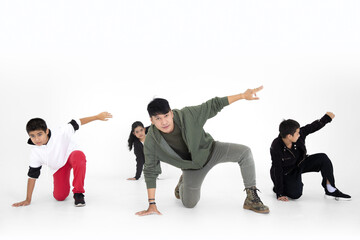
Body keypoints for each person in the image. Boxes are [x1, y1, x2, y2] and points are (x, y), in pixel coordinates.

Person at [136, 86, 269, 216]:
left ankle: (251, 198)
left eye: (166, 115)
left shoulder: (187, 115)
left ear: (171, 113)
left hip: (211, 150)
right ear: (151, 121)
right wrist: (152, 204)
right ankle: (182, 185)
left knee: (245, 152)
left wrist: (242, 96)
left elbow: (213, 104)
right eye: (158, 118)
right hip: (191, 168)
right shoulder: (151, 143)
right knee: (189, 204)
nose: (164, 122)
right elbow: (150, 171)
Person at [12, 112, 113, 207]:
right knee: (59, 197)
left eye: (39, 134)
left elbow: (77, 122)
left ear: (46, 131)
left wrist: (97, 117)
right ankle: (65, 186)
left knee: (79, 157)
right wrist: (28, 199)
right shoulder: (35, 153)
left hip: (71, 156)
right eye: (32, 136)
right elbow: (32, 176)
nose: (37, 139)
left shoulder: (60, 132)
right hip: (59, 167)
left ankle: (78, 193)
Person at [270, 112, 351, 201]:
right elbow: (277, 169)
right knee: (296, 194)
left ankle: (330, 190)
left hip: (300, 163)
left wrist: (327, 118)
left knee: (323, 158)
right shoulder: (276, 146)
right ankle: (281, 187)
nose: (299, 134)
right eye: (297, 133)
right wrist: (279, 193)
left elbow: (312, 127)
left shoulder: (299, 135)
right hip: (287, 172)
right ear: (289, 136)